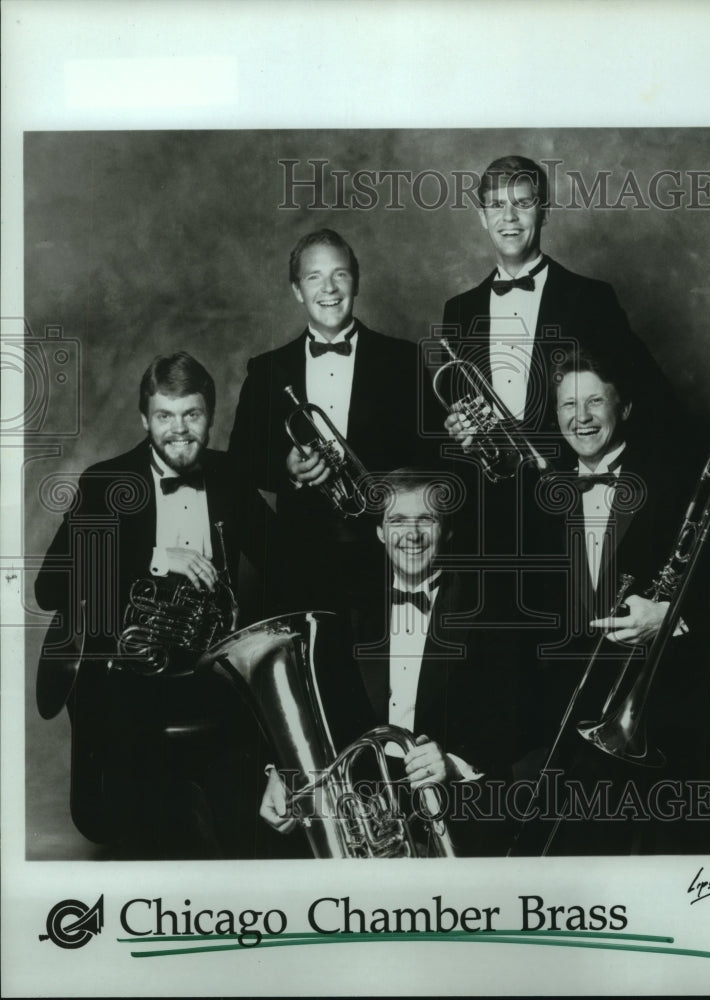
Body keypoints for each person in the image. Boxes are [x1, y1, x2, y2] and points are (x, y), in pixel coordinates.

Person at [34, 352, 273, 858]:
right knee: (145, 826)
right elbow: (49, 587)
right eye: (165, 415)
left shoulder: (230, 476)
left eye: (192, 414)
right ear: (145, 419)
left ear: (210, 416)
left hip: (210, 673)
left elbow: (283, 562)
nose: (179, 430)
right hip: (126, 679)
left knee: (251, 816)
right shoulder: (105, 482)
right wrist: (154, 557)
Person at [260, 469, 537, 856]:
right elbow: (315, 699)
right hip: (365, 799)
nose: (412, 534)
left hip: (460, 798)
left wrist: (456, 763)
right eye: (398, 521)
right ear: (380, 532)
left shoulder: (492, 606)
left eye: (427, 519)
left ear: (447, 530)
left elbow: (521, 711)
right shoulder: (347, 604)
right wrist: (282, 771)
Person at [508, 348, 705, 855]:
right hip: (559, 715)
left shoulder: (673, 480)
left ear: (625, 408)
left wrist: (669, 617)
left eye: (596, 401)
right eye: (568, 404)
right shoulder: (535, 493)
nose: (582, 417)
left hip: (657, 711)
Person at [438, 154, 683, 561]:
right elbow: (455, 407)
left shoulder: (590, 299)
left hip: (571, 505)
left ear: (545, 211)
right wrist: (457, 428)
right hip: (488, 513)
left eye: (523, 203)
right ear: (482, 217)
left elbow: (651, 401)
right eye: (496, 205)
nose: (509, 217)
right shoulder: (459, 310)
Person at [229, 228, 441, 614]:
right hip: (299, 561)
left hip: (385, 555)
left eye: (339, 274)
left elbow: (429, 459)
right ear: (297, 290)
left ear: (355, 282)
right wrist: (288, 470)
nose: (329, 288)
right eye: (314, 277)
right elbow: (239, 464)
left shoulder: (403, 360)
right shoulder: (267, 371)